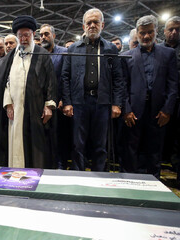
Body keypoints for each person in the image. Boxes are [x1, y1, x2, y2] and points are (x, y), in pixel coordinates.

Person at [61, 8, 123, 171]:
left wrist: (117, 104)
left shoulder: (110, 48)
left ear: (102, 24)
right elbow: (65, 76)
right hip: (79, 103)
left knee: (100, 145)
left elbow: (118, 78)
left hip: (102, 103)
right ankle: (78, 178)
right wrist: (67, 102)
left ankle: (100, 179)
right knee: (78, 144)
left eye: (96, 22)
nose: (92, 25)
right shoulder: (73, 48)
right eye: (89, 22)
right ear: (83, 26)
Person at [0, 15, 57, 169]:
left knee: (36, 146)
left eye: (26, 35)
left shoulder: (42, 54)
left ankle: (35, 175)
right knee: (15, 142)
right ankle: (16, 171)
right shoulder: (11, 56)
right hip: (15, 110)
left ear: (33, 34)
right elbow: (6, 82)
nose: (23, 39)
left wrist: (49, 105)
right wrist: (8, 103)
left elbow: (51, 80)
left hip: (36, 109)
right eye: (20, 35)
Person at [121, 15, 178, 179]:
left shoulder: (168, 54)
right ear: (137, 33)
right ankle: (128, 182)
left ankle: (154, 182)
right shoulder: (127, 56)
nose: (146, 36)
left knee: (155, 151)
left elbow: (173, 85)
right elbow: (122, 86)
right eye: (142, 33)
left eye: (150, 32)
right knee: (131, 150)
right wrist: (127, 110)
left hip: (158, 112)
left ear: (156, 31)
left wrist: (167, 110)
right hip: (134, 112)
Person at [40, 23, 69, 169]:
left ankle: (61, 166)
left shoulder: (63, 53)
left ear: (54, 36)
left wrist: (64, 98)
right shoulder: (38, 54)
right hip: (42, 104)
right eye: (41, 35)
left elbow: (67, 78)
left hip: (60, 104)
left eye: (46, 34)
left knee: (61, 137)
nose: (43, 37)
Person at [160, 16, 180, 181]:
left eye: (178, 29)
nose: (174, 32)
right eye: (171, 29)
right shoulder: (158, 50)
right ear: (164, 31)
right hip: (161, 104)